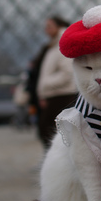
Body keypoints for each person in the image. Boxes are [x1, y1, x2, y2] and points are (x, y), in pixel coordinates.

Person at [36, 16, 76, 149]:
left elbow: (67, 73)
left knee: (50, 132)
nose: (46, 30)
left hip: (61, 95)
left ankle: (57, 161)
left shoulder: (61, 44)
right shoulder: (53, 45)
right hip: (56, 94)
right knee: (50, 132)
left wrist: (46, 84)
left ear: (59, 26)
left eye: (49, 26)